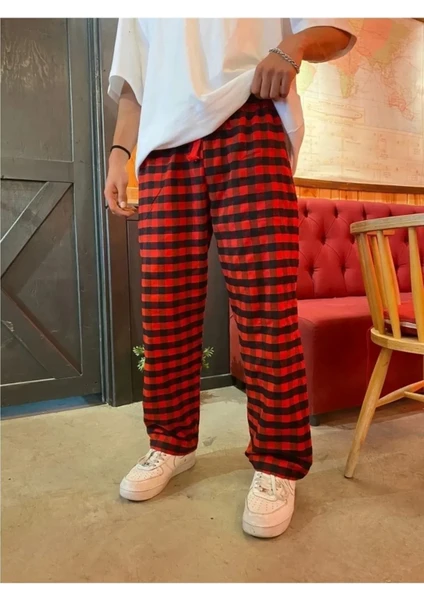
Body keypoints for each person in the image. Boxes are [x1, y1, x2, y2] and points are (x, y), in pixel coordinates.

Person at [105, 18, 356, 538]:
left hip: (251, 118)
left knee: (266, 312)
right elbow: (134, 82)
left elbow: (336, 26)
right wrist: (119, 153)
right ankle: (170, 442)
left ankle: (278, 462)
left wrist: (293, 45)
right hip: (163, 148)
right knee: (165, 312)